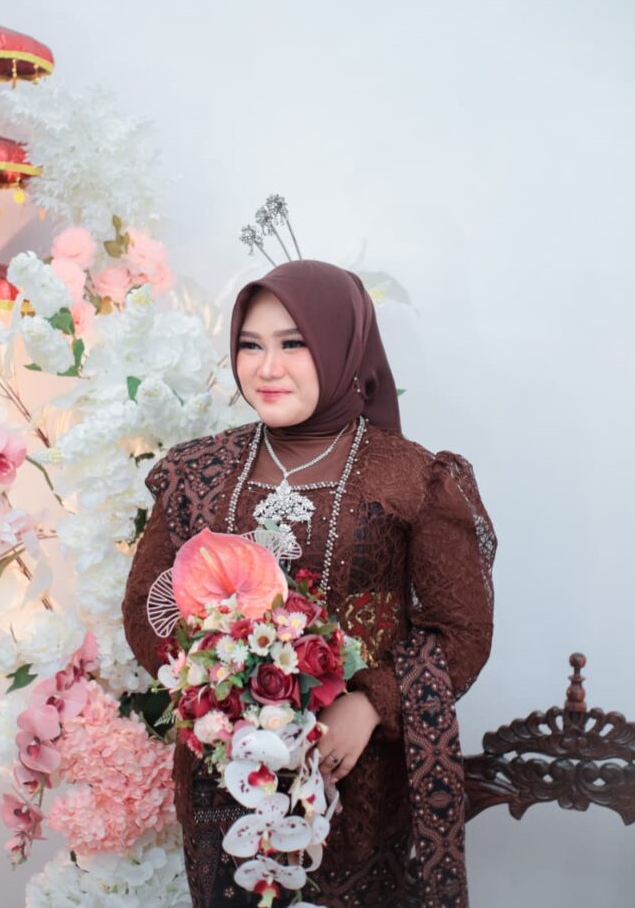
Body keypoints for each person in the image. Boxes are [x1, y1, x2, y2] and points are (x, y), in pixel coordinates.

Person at [122, 258, 497, 908]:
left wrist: (371, 703)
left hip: (358, 776)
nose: (267, 368)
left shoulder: (412, 479)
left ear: (341, 346)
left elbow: (461, 629)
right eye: (250, 345)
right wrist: (224, 698)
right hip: (226, 778)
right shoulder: (195, 472)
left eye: (293, 343)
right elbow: (146, 609)